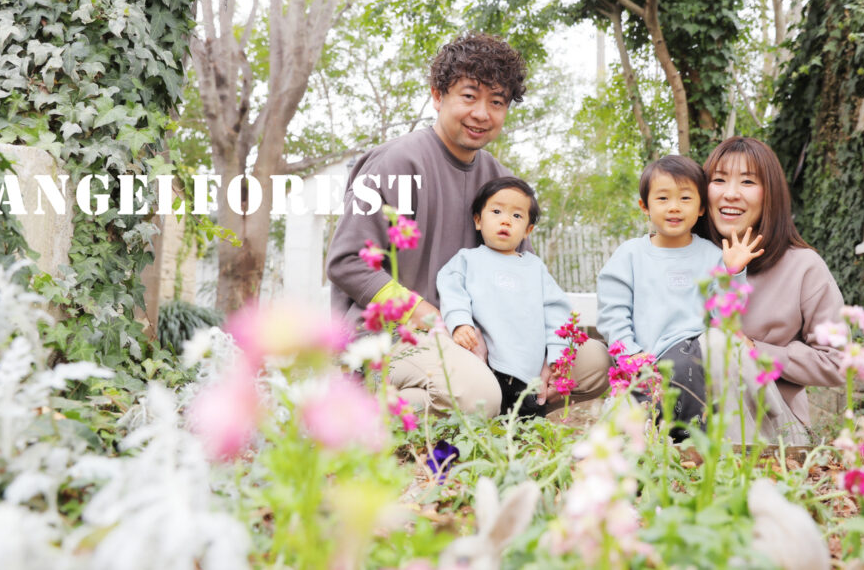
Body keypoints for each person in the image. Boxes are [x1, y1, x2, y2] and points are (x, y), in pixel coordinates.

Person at [327, 34, 565, 419]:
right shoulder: (395, 163)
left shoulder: (499, 182)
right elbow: (346, 262)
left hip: (477, 338)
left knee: (587, 361)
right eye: (469, 96)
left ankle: (492, 408)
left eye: (497, 102)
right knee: (481, 395)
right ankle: (356, 413)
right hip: (393, 339)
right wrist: (425, 314)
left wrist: (549, 352)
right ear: (438, 96)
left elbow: (525, 275)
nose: (482, 113)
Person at [597, 155, 763, 432]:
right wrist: (630, 352)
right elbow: (613, 311)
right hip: (643, 361)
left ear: (700, 208)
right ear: (644, 206)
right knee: (622, 420)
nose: (674, 207)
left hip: (693, 358)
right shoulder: (630, 255)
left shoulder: (712, 256)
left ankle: (691, 447)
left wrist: (732, 272)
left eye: (685, 198)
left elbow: (726, 315)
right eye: (663, 199)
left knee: (689, 400)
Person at [699, 136, 846, 441]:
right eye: (719, 180)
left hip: (775, 430)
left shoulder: (804, 266)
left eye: (747, 182)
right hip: (693, 420)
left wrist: (757, 352)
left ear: (770, 194)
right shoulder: (689, 260)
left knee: (719, 345)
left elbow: (838, 362)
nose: (730, 194)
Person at [437, 177, 611, 417]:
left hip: (529, 368)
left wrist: (558, 357)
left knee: (527, 423)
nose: (506, 220)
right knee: (486, 416)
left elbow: (556, 312)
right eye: (496, 211)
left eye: (517, 216)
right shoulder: (467, 260)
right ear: (478, 220)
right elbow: (451, 289)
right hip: (487, 365)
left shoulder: (534, 268)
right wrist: (460, 323)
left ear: (528, 230)